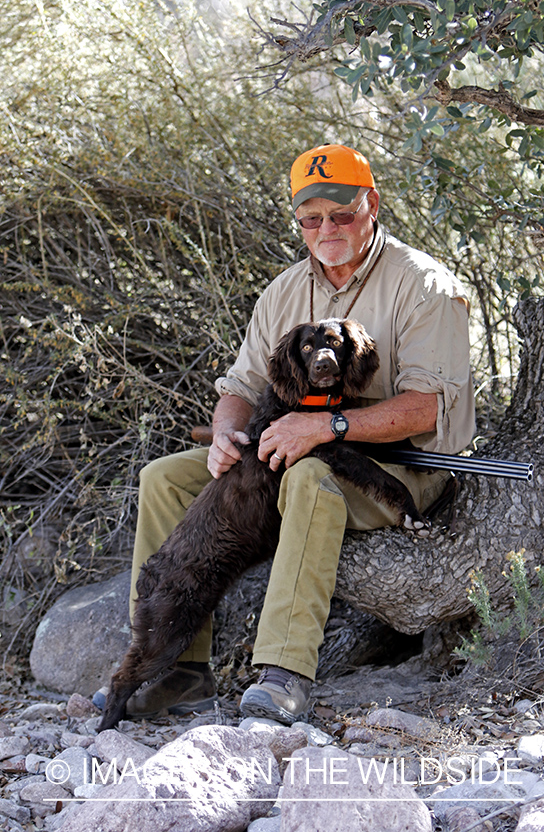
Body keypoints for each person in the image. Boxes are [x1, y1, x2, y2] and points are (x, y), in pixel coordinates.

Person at [122, 143, 475, 724]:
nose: (326, 228)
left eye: (341, 213)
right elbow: (239, 386)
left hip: (399, 466)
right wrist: (226, 438)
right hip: (291, 448)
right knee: (164, 477)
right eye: (312, 217)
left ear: (372, 205)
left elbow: (426, 409)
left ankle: (283, 674)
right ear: (298, 221)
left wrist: (325, 425)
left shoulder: (423, 285)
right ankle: (176, 669)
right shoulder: (285, 291)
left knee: (310, 474)